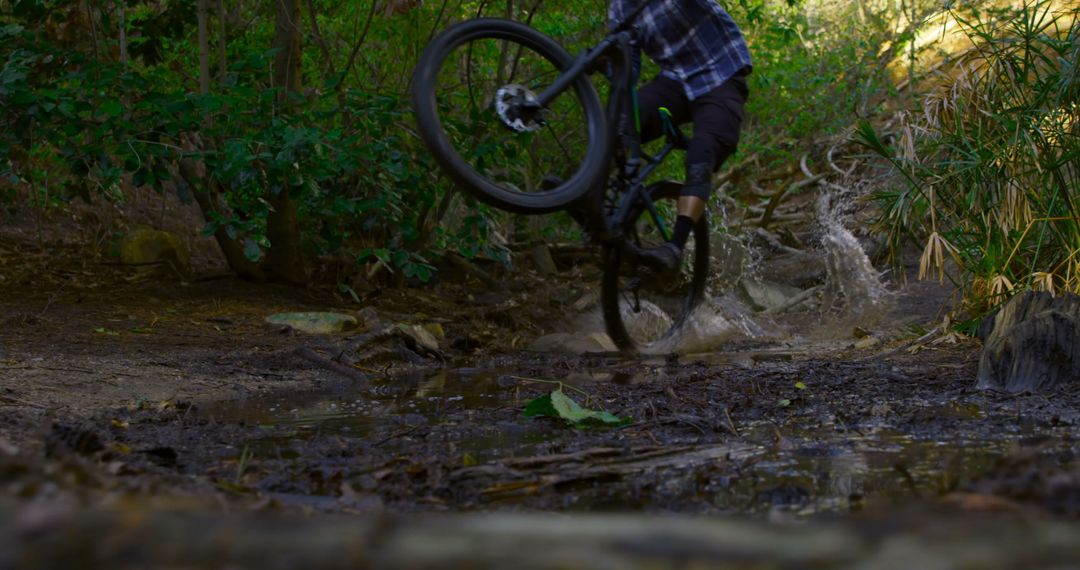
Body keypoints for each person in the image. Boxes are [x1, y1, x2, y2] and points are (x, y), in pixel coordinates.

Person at [609, 0, 751, 271]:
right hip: (675, 83)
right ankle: (596, 204)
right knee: (619, 121)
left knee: (701, 155)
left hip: (721, 75)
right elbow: (628, 70)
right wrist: (611, 62)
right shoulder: (619, 8)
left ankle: (674, 248)